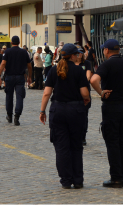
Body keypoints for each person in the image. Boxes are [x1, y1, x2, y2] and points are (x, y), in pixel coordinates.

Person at [40, 44, 91, 189]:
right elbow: (85, 94)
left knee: (61, 147)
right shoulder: (78, 70)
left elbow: (46, 93)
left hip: (58, 110)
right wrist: (85, 100)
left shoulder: (53, 70)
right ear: (73, 55)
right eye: (77, 54)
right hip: (76, 111)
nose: (79, 56)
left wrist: (42, 111)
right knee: (76, 146)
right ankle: (78, 180)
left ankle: (66, 181)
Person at [90, 39, 123, 188]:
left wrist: (101, 92)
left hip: (111, 107)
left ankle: (116, 178)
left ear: (106, 50)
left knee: (112, 143)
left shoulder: (106, 65)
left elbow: (93, 80)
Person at [0, 36, 32, 126]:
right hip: (20, 77)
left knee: (9, 96)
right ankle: (17, 116)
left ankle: (9, 116)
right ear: (19, 42)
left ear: (11, 42)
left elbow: (3, 63)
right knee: (20, 97)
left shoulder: (7, 51)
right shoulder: (24, 52)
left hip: (9, 77)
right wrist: (30, 77)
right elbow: (29, 65)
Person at [74, 45, 93, 146]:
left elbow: (88, 76)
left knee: (84, 116)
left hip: (84, 92)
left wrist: (81, 84)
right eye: (77, 53)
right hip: (73, 93)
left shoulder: (87, 63)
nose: (79, 54)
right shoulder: (71, 64)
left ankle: (83, 136)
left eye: (81, 52)